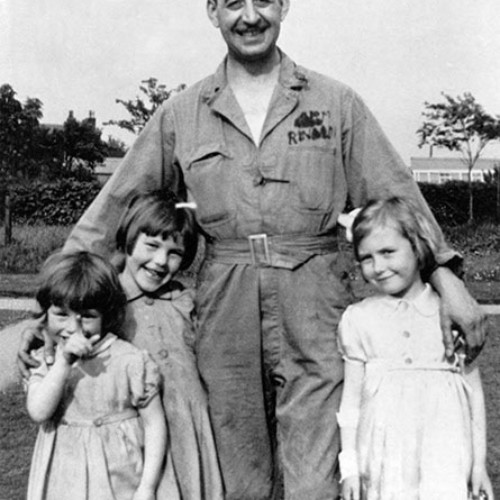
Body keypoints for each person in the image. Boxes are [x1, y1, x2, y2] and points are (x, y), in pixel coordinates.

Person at [19, 1, 486, 498]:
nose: (249, 16)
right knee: (239, 479)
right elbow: (114, 205)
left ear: (284, 5)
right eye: (233, 3)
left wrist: (446, 278)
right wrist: (52, 309)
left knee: (316, 481)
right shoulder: (183, 112)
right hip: (225, 308)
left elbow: (397, 197)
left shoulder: (335, 102)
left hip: (316, 303)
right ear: (212, 10)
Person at [337, 197, 493, 500]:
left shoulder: (451, 315)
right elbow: (350, 405)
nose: (378, 267)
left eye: (387, 252)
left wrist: (478, 465)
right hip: (385, 463)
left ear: (417, 246)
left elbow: (474, 399)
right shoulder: (359, 319)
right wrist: (350, 469)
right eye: (366, 258)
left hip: (444, 458)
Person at [26, 251, 167, 500]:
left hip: (118, 478)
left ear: (106, 317)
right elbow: (39, 412)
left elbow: (154, 423)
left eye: (88, 317)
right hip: (63, 477)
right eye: (61, 314)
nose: (73, 328)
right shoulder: (46, 360)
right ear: (46, 314)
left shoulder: (129, 360)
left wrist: (147, 486)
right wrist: (63, 363)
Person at [114, 190, 224, 500]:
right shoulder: (106, 303)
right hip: (138, 439)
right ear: (128, 240)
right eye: (151, 246)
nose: (161, 261)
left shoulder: (186, 302)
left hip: (189, 437)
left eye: (174, 252)